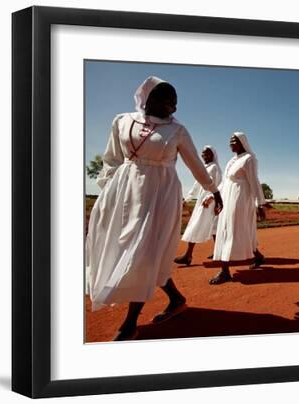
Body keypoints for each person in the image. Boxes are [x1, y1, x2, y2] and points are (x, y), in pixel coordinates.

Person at [85, 76, 223, 341]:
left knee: (146, 252)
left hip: (160, 195)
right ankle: (176, 298)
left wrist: (214, 191)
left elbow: (195, 164)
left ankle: (130, 324)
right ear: (148, 97)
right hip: (124, 191)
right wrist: (108, 193)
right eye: (168, 99)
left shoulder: (177, 130)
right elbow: (111, 159)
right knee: (132, 250)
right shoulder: (122, 121)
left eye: (176, 101)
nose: (174, 106)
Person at [210, 132, 266, 285]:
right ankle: (258, 256)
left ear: (242, 142)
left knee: (232, 230)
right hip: (227, 197)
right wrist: (214, 196)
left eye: (234, 141)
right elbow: (225, 181)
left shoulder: (249, 159)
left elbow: (254, 181)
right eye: (230, 141)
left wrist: (260, 203)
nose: (231, 143)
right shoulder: (232, 160)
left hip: (240, 199)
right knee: (233, 229)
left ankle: (225, 271)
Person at [174, 146, 223, 265]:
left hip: (209, 201)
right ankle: (219, 252)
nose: (204, 155)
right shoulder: (204, 168)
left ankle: (188, 255)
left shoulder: (215, 168)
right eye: (203, 153)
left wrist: (211, 198)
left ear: (213, 155)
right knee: (213, 227)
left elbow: (219, 185)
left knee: (197, 225)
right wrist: (188, 198)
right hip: (201, 199)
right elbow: (197, 185)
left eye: (207, 153)